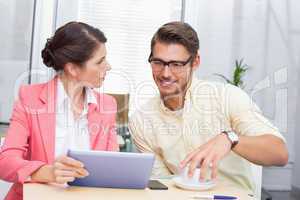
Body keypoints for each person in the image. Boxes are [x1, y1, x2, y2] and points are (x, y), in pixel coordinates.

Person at [129, 21, 288, 192]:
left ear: (195, 61)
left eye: (176, 64)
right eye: (158, 62)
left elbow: (279, 153)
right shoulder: (141, 120)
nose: (165, 73)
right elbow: (162, 186)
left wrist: (230, 139)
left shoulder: (227, 97)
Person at [0, 22, 119, 200]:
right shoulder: (30, 98)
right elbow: (5, 162)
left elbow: (113, 165)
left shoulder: (108, 105)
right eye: (100, 61)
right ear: (72, 68)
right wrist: (47, 172)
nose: (108, 66)